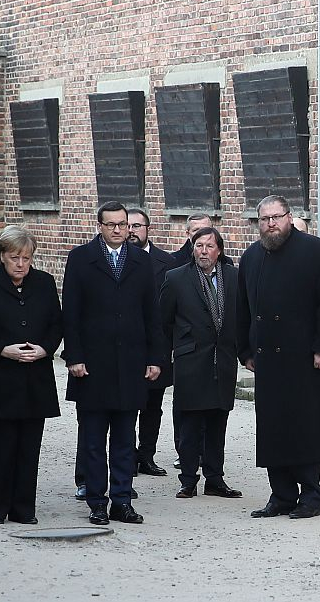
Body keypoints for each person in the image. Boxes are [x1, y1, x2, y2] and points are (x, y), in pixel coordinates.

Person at [238, 195, 320, 519]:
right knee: (274, 429)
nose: (271, 224)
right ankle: (281, 494)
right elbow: (243, 307)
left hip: (305, 358)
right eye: (264, 219)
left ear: (289, 217)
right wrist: (245, 350)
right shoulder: (252, 256)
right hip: (268, 360)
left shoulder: (316, 252)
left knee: (306, 429)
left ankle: (311, 495)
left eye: (277, 217)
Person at [63, 201, 162, 526]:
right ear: (100, 226)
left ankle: (122, 500)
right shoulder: (81, 258)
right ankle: (96, 501)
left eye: (124, 224)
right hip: (93, 365)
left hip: (130, 363)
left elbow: (151, 312)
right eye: (112, 224)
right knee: (93, 440)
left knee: (124, 438)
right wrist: (74, 356)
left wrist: (154, 357)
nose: (120, 230)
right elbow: (71, 312)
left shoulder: (140, 260)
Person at [0, 225, 61, 524]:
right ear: (2, 256)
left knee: (28, 449)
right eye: (15, 257)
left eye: (27, 258)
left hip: (34, 379)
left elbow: (56, 325)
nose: (21, 264)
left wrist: (45, 349)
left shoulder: (44, 283)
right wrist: (2, 349)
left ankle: (23, 509)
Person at [160, 226, 243, 499]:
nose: (203, 251)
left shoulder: (234, 277)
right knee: (190, 422)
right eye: (198, 246)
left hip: (223, 359)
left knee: (218, 420)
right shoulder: (176, 278)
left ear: (219, 250)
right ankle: (187, 479)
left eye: (209, 246)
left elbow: (244, 316)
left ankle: (215, 477)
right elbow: (164, 320)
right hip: (191, 360)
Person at [128, 208, 178, 477]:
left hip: (157, 343)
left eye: (138, 225)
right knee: (126, 404)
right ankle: (125, 456)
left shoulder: (166, 262)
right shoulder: (118, 260)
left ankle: (146, 455)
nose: (133, 231)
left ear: (148, 229)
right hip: (127, 344)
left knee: (153, 405)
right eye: (129, 226)